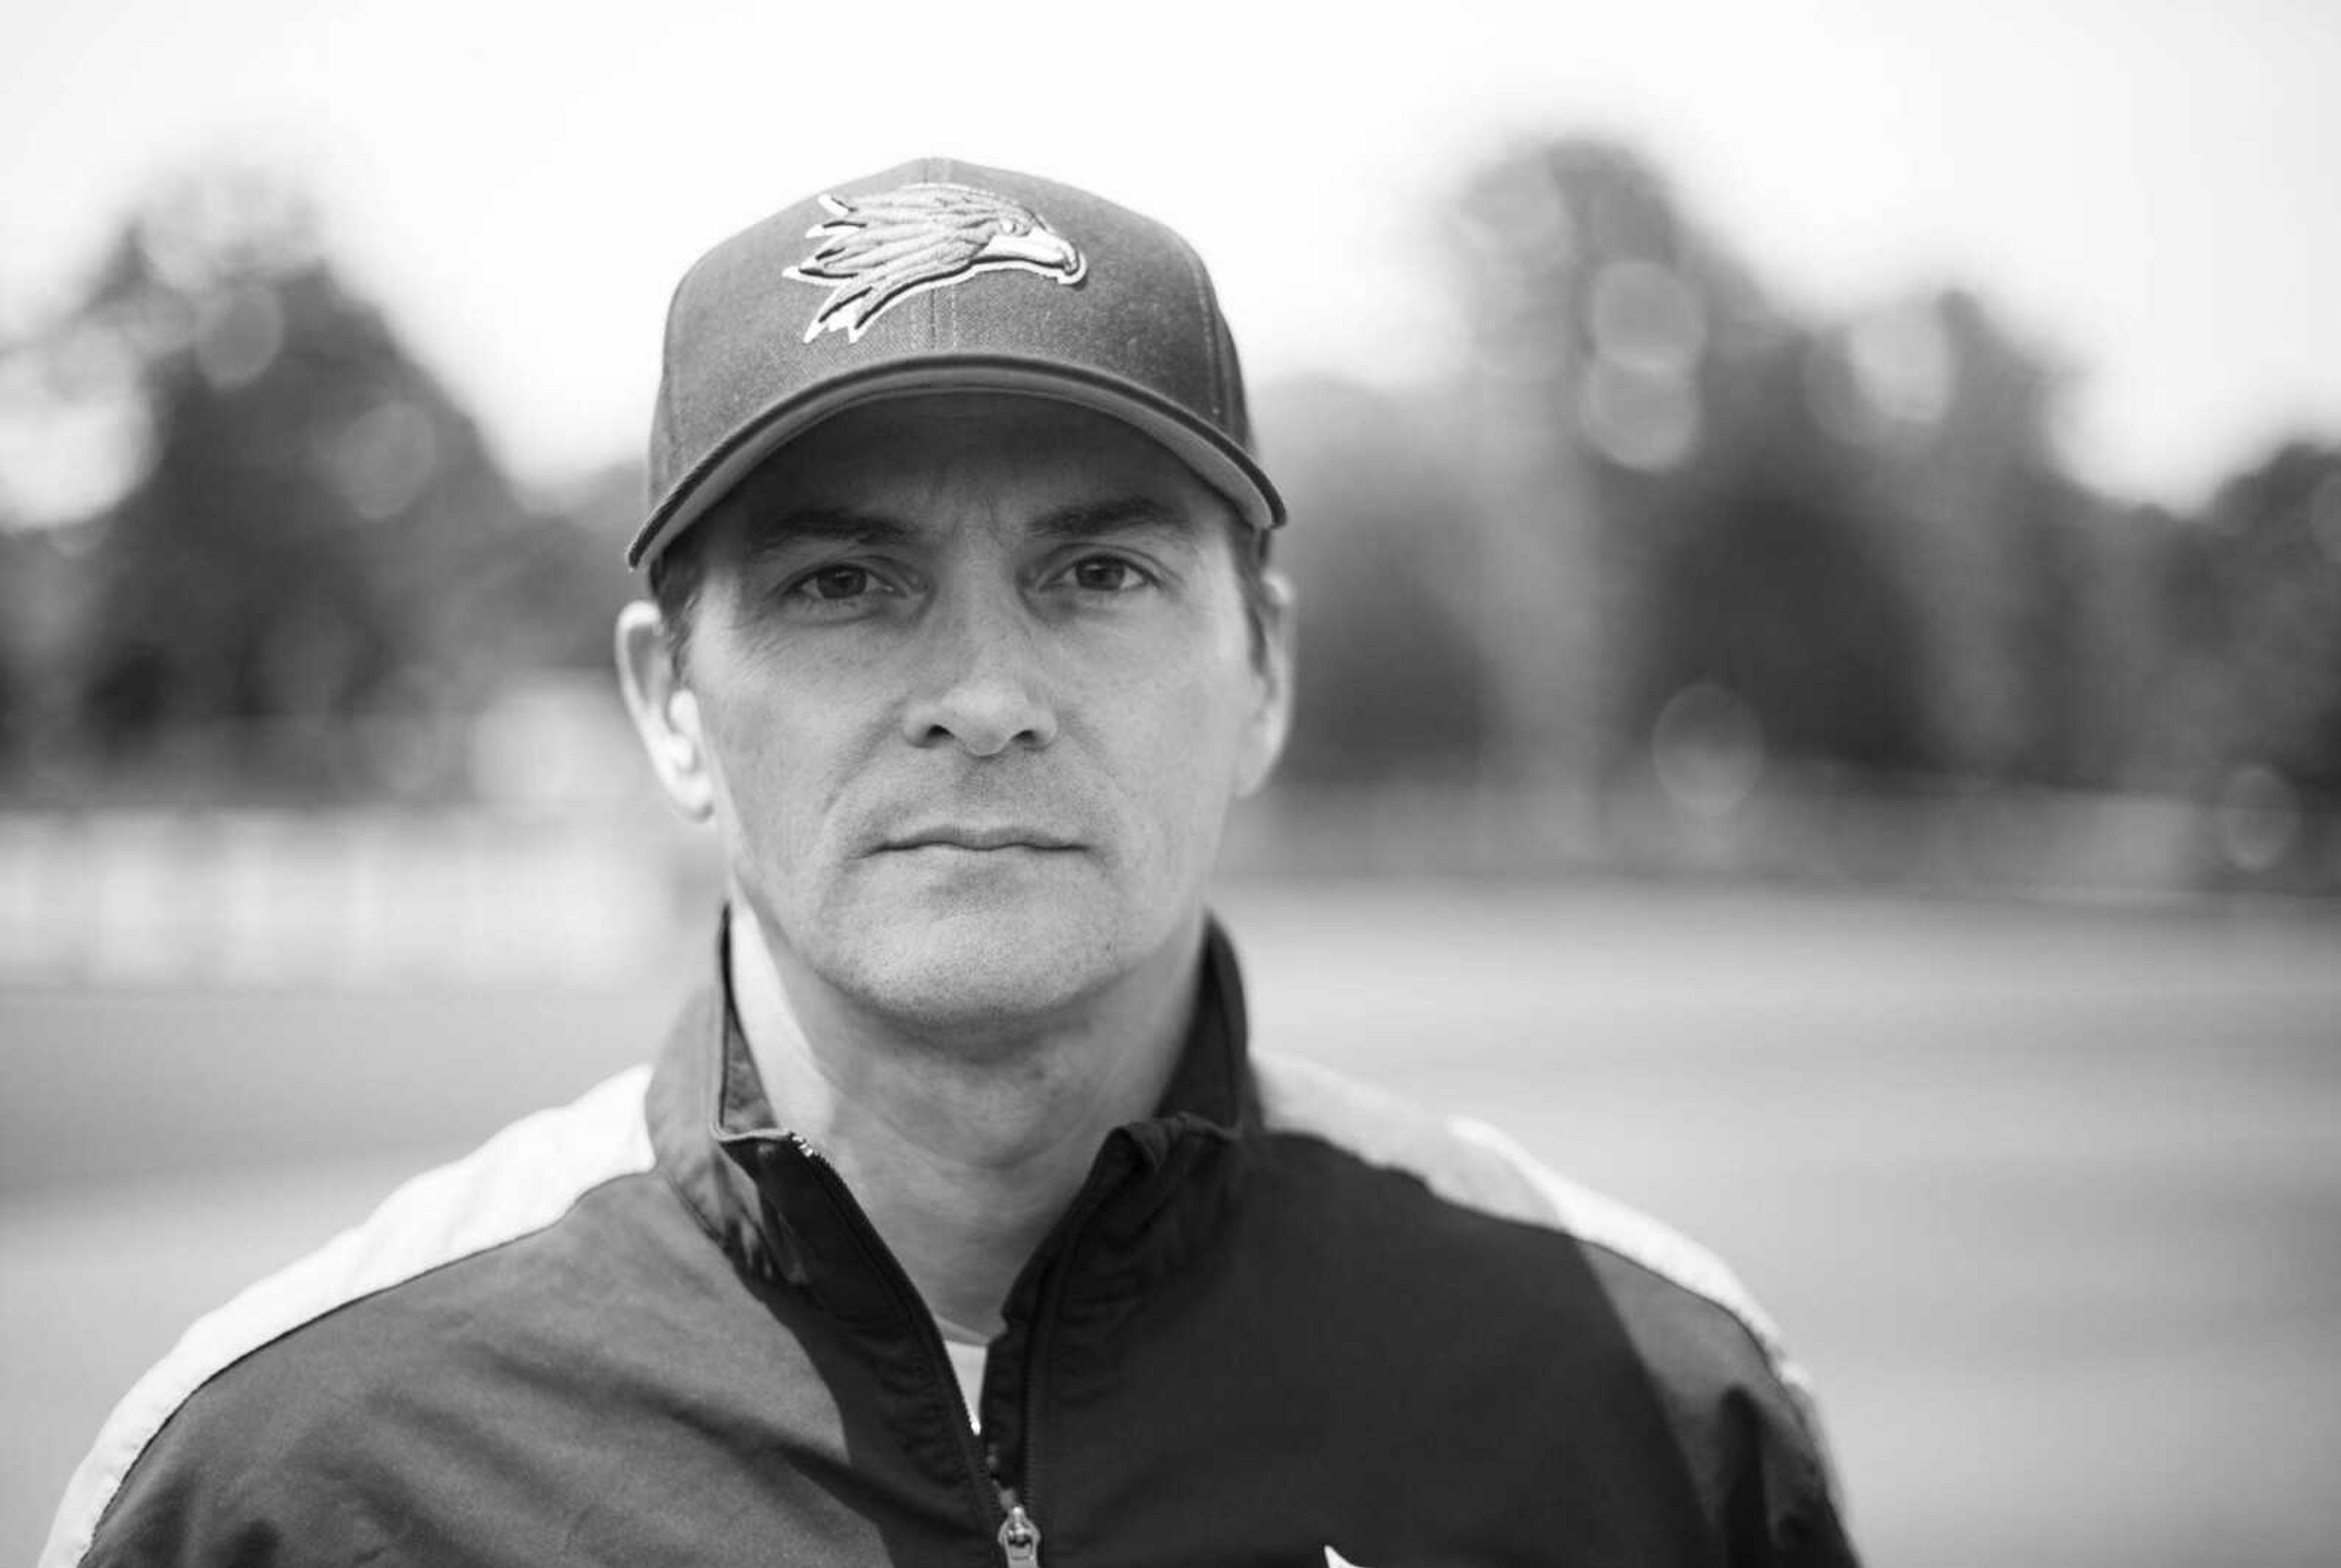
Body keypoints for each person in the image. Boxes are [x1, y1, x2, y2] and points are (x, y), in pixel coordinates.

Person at [44, 159, 1860, 1567]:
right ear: (672, 703)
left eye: (1097, 575)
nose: (984, 696)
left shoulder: (1647, 1402)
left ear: (1267, 675)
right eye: (846, 583)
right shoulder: (292, 1471)